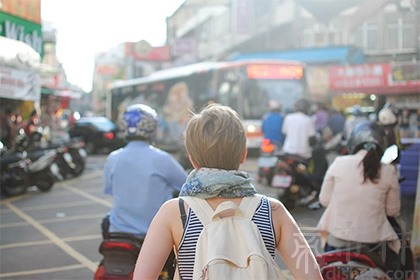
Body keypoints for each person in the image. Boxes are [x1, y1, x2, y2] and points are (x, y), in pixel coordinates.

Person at [133, 103, 323, 280]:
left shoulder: (175, 212)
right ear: (243, 155)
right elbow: (312, 276)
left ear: (192, 159)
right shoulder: (272, 210)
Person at [317, 120, 402, 274]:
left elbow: (324, 200)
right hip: (375, 244)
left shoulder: (339, 163)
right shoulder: (389, 170)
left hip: (337, 242)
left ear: (353, 143)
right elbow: (392, 211)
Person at [102, 104, 188, 237]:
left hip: (117, 232)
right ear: (152, 128)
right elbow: (186, 186)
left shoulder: (113, 158)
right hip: (153, 235)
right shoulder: (162, 159)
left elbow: (109, 190)